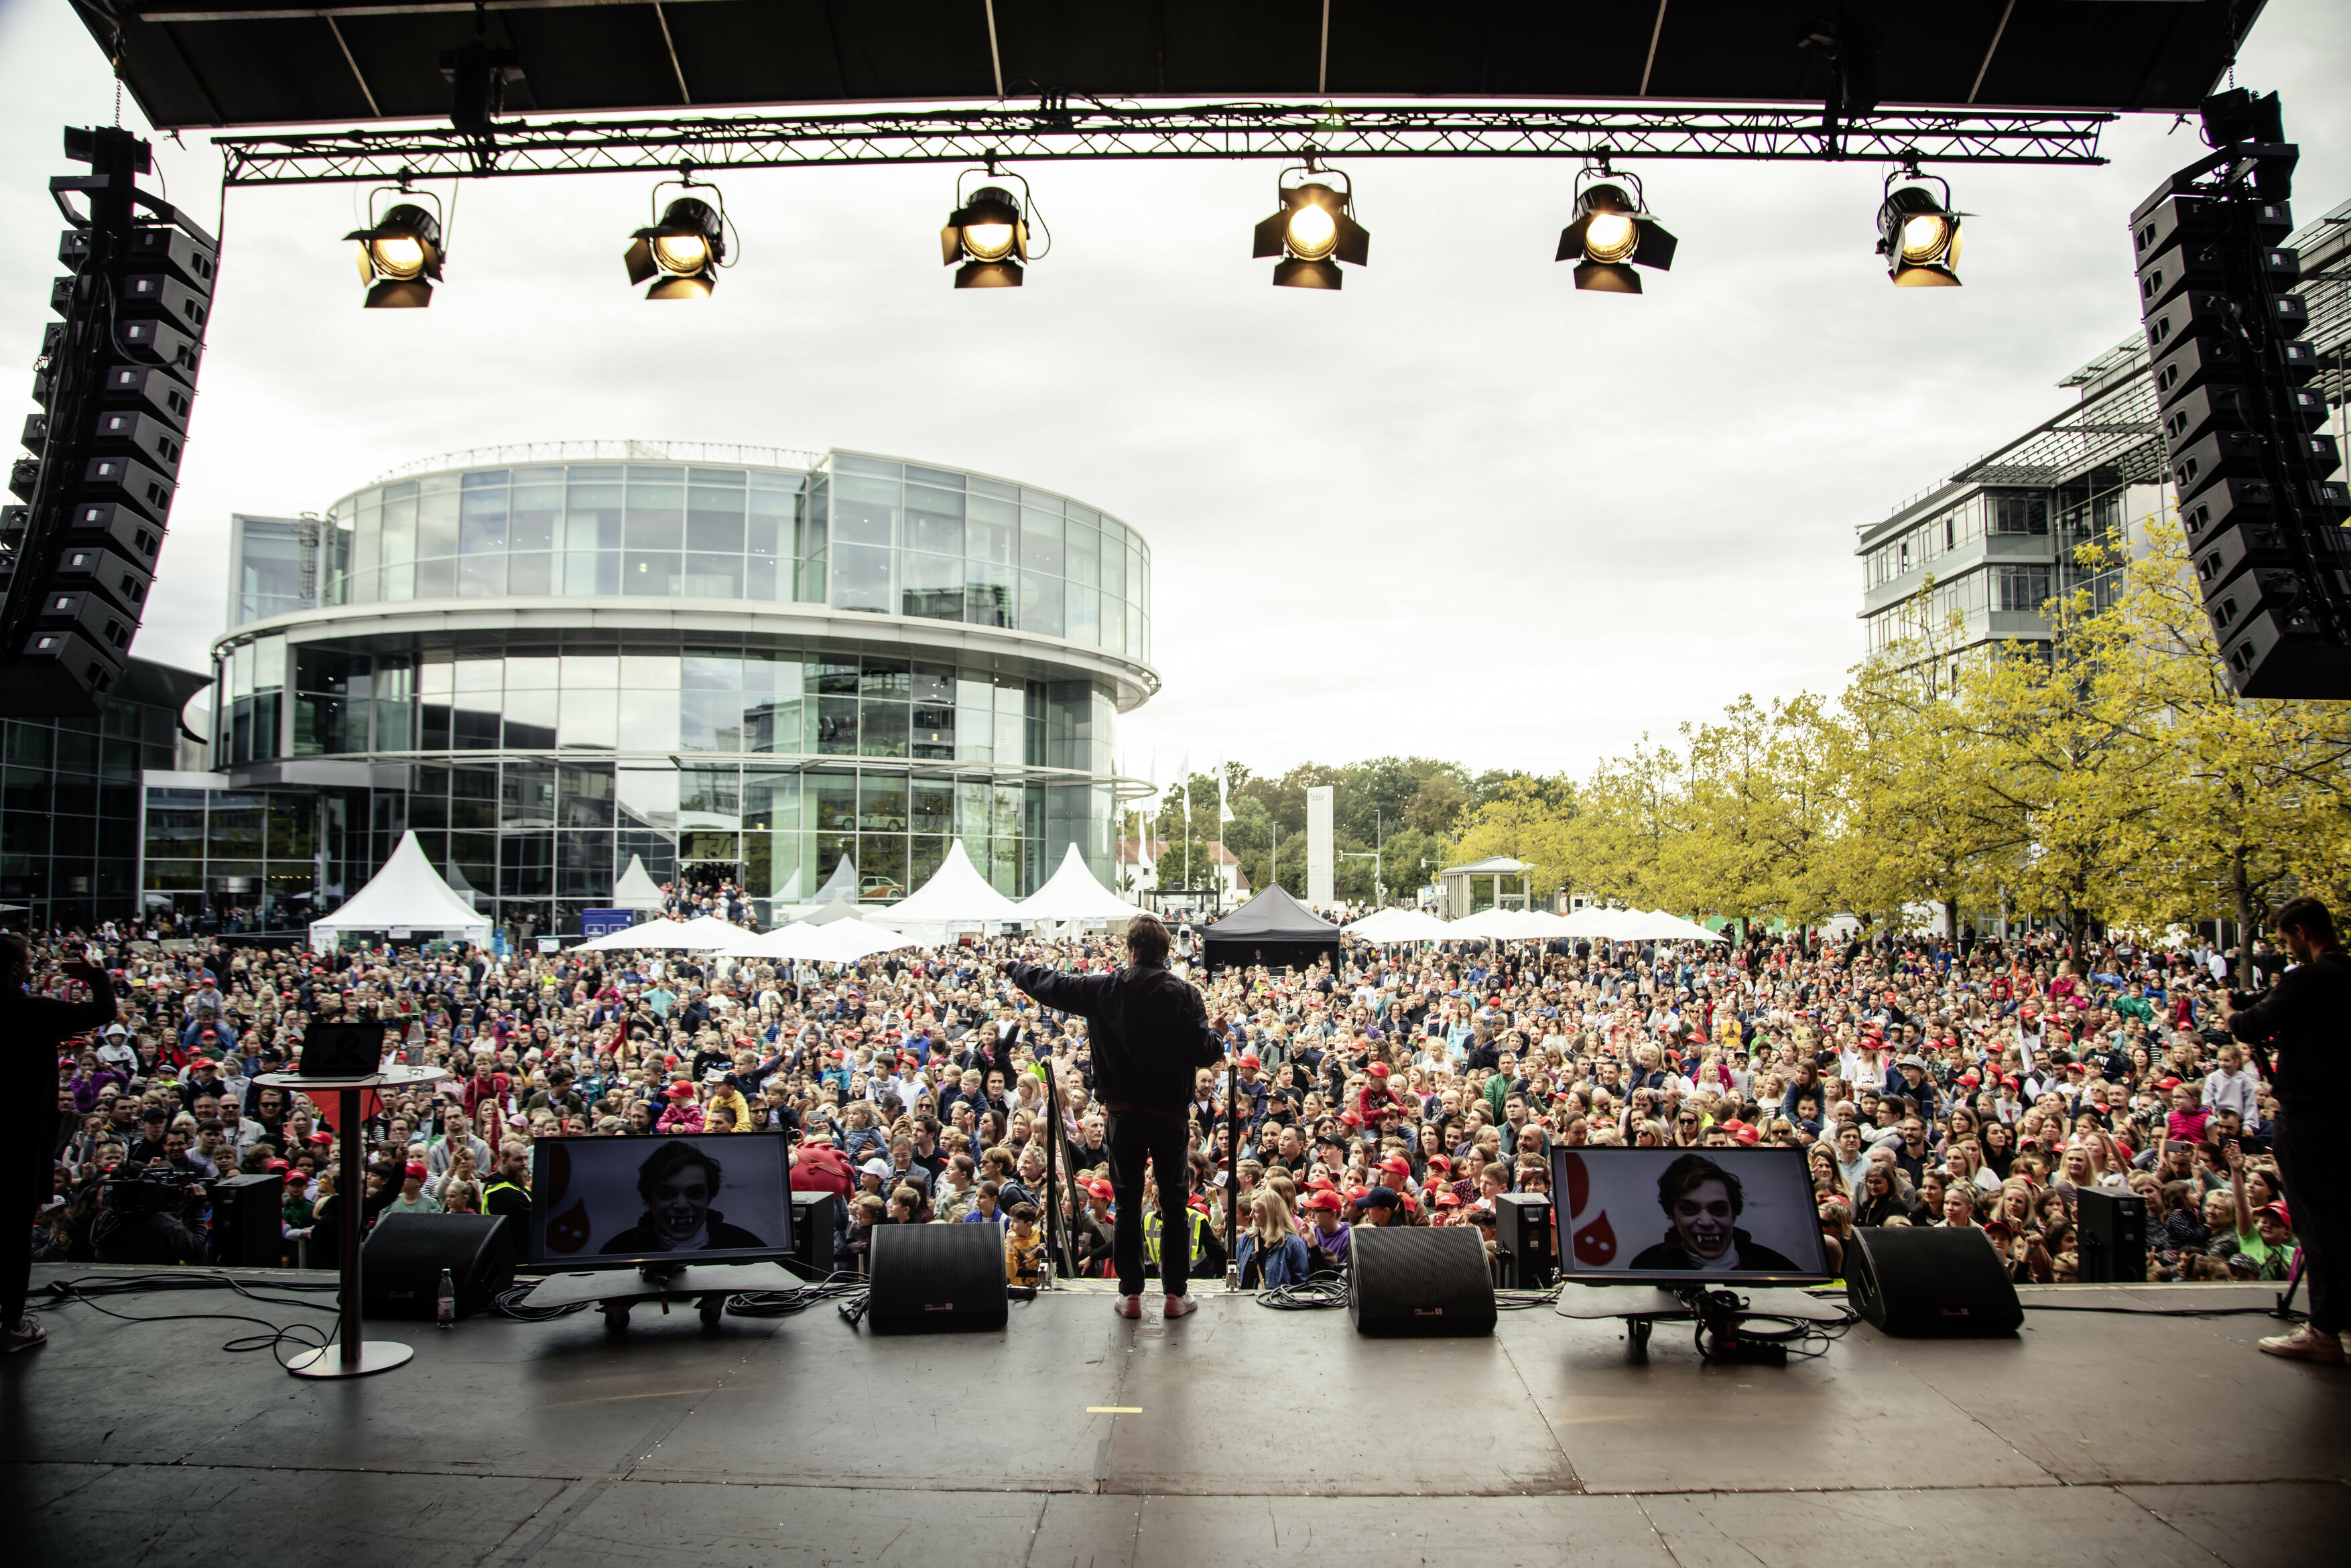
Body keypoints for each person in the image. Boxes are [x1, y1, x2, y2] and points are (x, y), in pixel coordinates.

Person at [1004, 911, 1224, 1321]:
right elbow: (1204, 1051)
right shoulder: (1185, 994)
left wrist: (1015, 968)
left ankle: (1132, 1296)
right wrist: (1217, 1034)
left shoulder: (1105, 988)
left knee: (1125, 1203)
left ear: (1133, 948)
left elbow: (1052, 985)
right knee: (1175, 1204)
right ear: (1164, 949)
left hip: (1123, 1115)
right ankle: (1176, 1295)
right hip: (1171, 1117)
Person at [2224, 896, 2351, 1362]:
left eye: (2284, 940)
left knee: (2317, 1221)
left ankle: (2321, 1333)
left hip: (2311, 1116)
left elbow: (2249, 1024)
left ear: (2301, 931)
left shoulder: (2312, 977)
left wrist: (2225, 1010)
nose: (2285, 951)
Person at [1, 933, 118, 1352]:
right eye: (29, 960)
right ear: (15, 970)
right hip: (20, 1142)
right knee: (15, 1233)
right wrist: (94, 974)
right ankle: (10, 1325)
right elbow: (104, 1011)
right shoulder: (32, 1012)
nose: (34, 966)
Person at [1626, 1153, 1805, 1273]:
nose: (1706, 1222)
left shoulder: (1776, 1268)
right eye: (1690, 1209)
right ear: (1672, 1214)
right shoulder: (1647, 1266)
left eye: (1718, 1210)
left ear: (1733, 1213)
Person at [598, 1138, 768, 1256]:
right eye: (666, 1194)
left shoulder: (747, 1246)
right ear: (648, 1198)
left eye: (694, 1193)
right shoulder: (617, 1251)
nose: (681, 1205)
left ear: (709, 1196)